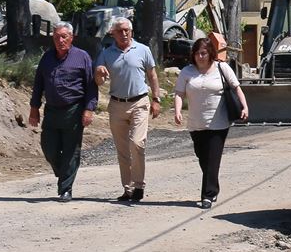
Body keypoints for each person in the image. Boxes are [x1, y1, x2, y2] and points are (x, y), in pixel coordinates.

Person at [173, 36, 248, 209]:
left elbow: (236, 88)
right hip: (196, 123)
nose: (200, 56)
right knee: (203, 158)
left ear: (210, 53)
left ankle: (207, 195)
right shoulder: (187, 72)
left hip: (218, 123)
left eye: (204, 53)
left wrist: (244, 106)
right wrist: (177, 111)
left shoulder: (222, 68)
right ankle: (213, 186)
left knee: (213, 159)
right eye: (197, 53)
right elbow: (179, 93)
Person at [28, 22, 97, 201]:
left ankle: (66, 189)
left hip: (74, 110)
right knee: (48, 148)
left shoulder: (82, 57)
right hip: (51, 111)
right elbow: (38, 84)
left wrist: (89, 109)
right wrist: (34, 108)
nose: (60, 40)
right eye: (57, 37)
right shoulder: (47, 58)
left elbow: (91, 86)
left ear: (71, 37)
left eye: (64, 36)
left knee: (71, 151)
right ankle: (64, 171)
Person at [94, 18, 160, 203]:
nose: (124, 34)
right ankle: (128, 189)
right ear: (113, 34)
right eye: (120, 31)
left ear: (131, 32)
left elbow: (152, 76)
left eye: (127, 30)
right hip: (116, 105)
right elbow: (99, 81)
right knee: (122, 149)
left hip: (139, 102)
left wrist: (156, 99)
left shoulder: (143, 50)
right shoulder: (106, 54)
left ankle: (139, 185)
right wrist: (99, 72)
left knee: (137, 143)